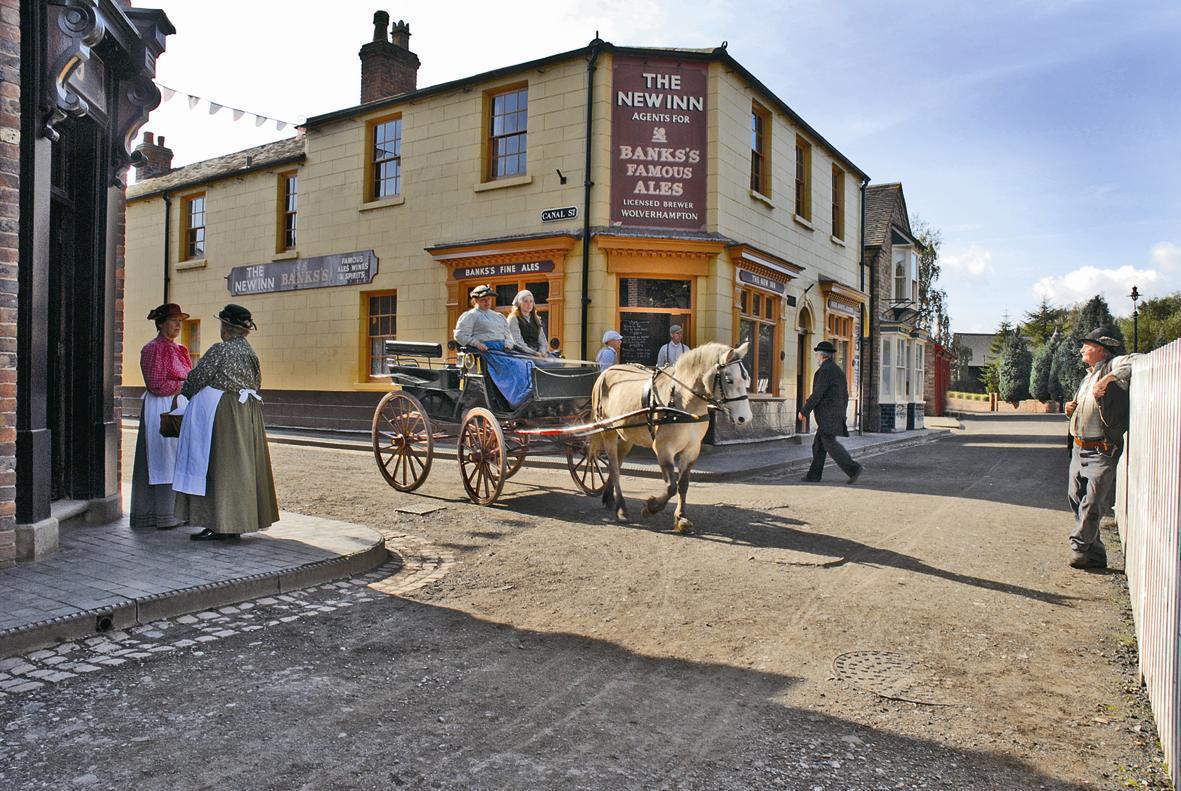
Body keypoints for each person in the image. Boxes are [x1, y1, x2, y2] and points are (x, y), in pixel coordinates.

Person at [173, 304, 279, 541]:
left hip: (223, 412)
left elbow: (198, 377)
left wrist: (185, 395)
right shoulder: (250, 353)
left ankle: (220, 521)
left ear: (227, 327)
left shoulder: (220, 350)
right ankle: (237, 520)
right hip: (246, 412)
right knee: (240, 467)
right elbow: (257, 382)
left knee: (219, 465)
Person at [1064, 326, 1136, 570]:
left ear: (1101, 349)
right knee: (1076, 498)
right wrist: (1070, 411)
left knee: (1092, 501)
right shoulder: (1086, 377)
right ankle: (1095, 555)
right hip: (1078, 447)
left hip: (1102, 448)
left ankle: (1079, 546)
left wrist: (1108, 378)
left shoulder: (1113, 366)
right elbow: (1087, 407)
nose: (1082, 348)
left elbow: (1139, 361)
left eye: (1087, 345)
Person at [130, 303, 193, 530]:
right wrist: (183, 385)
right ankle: (160, 514)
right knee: (161, 455)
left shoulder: (181, 349)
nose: (177, 325)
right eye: (173, 320)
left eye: (180, 321)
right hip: (161, 405)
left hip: (179, 403)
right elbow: (156, 384)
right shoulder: (152, 349)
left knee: (179, 456)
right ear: (161, 323)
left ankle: (181, 511)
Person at [798, 340, 863, 484]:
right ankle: (813, 475)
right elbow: (844, 395)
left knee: (830, 444)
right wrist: (842, 412)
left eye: (817, 355)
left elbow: (818, 394)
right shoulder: (836, 370)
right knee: (819, 446)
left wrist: (804, 411)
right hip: (834, 414)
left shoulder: (825, 371)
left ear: (822, 356)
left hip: (828, 415)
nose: (816, 357)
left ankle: (853, 468)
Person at [454, 284, 515, 353]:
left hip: (503, 351)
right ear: (476, 301)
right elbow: (459, 335)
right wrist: (477, 344)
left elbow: (508, 335)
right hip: (484, 351)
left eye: (489, 298)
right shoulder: (470, 315)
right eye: (483, 299)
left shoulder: (499, 316)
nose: (487, 302)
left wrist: (508, 345)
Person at [506, 289, 549, 356]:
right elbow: (517, 342)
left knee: (558, 364)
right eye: (525, 301)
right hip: (522, 353)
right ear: (519, 303)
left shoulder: (536, 319)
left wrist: (542, 351)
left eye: (531, 301)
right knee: (542, 365)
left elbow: (542, 341)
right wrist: (534, 353)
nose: (529, 304)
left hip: (538, 352)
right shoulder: (513, 319)